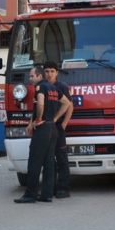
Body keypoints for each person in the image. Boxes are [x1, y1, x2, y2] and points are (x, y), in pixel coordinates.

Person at [14, 65, 71, 204]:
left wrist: (38, 120)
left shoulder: (40, 87)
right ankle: (46, 195)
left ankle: (30, 195)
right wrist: (55, 119)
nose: (30, 78)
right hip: (53, 128)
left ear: (40, 76)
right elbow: (67, 103)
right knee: (49, 163)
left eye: (32, 76)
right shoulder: (53, 88)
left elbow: (40, 103)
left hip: (43, 129)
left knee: (34, 162)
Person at [44, 61, 73, 198]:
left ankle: (64, 188)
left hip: (58, 127)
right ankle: (51, 188)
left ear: (57, 72)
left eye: (52, 71)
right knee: (48, 160)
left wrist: (63, 124)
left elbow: (69, 106)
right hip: (45, 128)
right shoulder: (43, 87)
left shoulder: (62, 86)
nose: (49, 74)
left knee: (61, 158)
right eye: (47, 71)